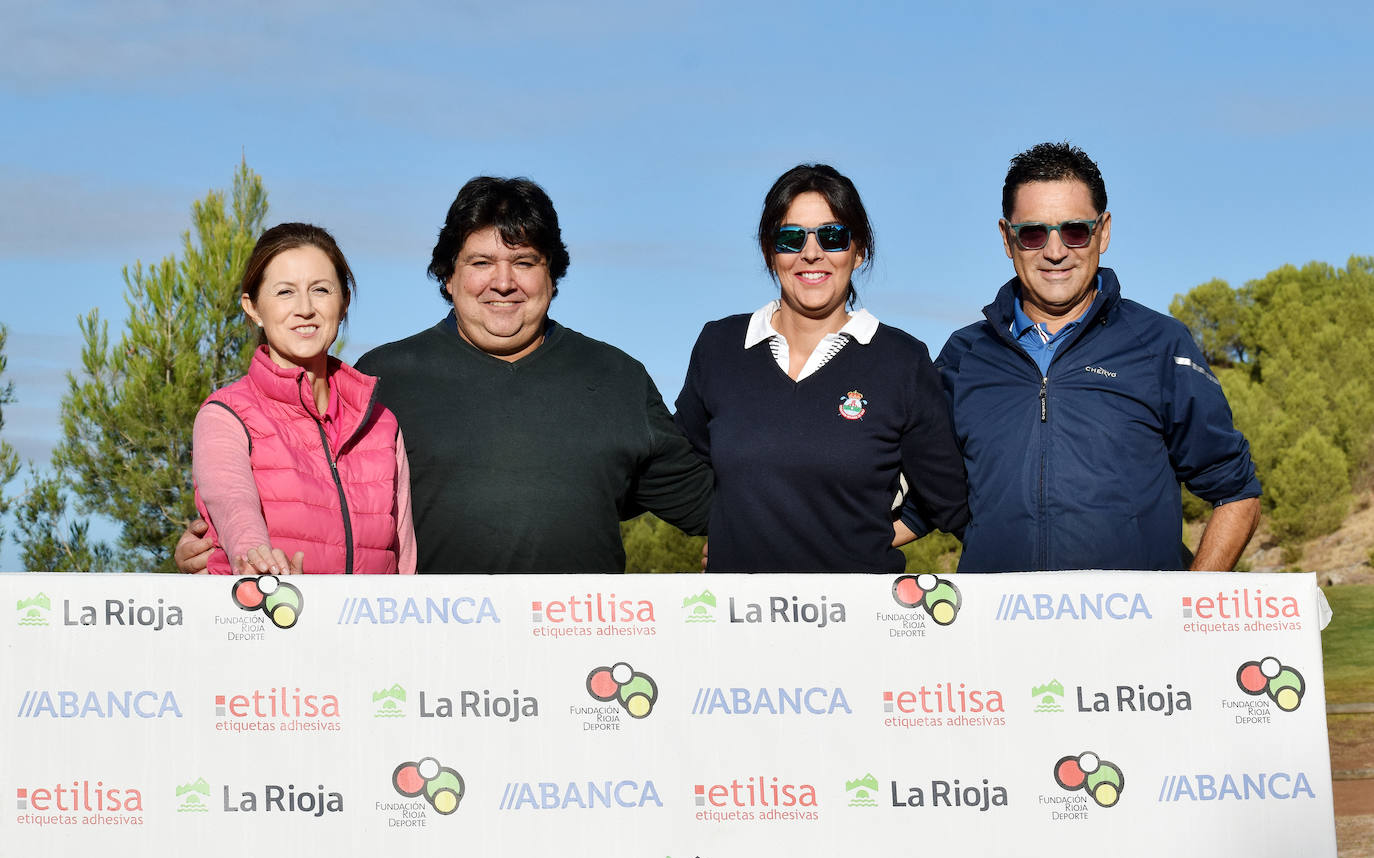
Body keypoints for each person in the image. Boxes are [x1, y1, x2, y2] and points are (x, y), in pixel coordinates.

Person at [178, 177, 711, 574]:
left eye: (524, 262)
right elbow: (309, 502)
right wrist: (214, 548)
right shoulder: (381, 384)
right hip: (429, 680)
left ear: (553, 274)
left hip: (583, 676)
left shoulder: (616, 378)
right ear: (448, 276)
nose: (503, 282)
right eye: (480, 263)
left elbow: (707, 502)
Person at [909, 142, 1261, 572]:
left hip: (1134, 635)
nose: (1055, 251)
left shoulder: (1161, 345)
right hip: (998, 635)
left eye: (1075, 231)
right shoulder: (962, 357)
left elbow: (1237, 492)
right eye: (1033, 233)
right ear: (1007, 238)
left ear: (1103, 231)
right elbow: (925, 498)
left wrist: (1185, 611)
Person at [673, 164, 968, 573]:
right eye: (791, 238)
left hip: (859, 621)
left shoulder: (902, 360)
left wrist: (870, 539)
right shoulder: (720, 347)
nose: (811, 253)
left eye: (832, 236)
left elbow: (946, 497)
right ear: (768, 252)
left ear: (858, 250)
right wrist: (725, 533)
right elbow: (679, 466)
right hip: (739, 620)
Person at [192, 222, 416, 574]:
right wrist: (260, 561)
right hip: (262, 619)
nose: (305, 308)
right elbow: (234, 509)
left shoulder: (381, 423)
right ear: (253, 308)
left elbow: (404, 560)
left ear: (343, 303)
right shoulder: (225, 416)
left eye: (321, 290)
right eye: (285, 292)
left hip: (369, 629)